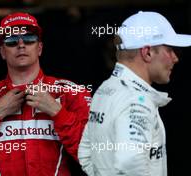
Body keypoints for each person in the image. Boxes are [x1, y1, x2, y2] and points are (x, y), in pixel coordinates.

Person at [0, 12, 91, 176]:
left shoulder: (71, 93)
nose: (21, 45)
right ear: (2, 52)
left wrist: (58, 113)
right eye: (12, 41)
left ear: (40, 48)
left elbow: (98, 155)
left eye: (29, 39)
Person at [78, 11, 191, 176]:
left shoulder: (105, 89)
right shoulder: (137, 100)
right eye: (170, 49)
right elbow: (130, 163)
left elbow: (85, 154)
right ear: (147, 53)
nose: (175, 58)